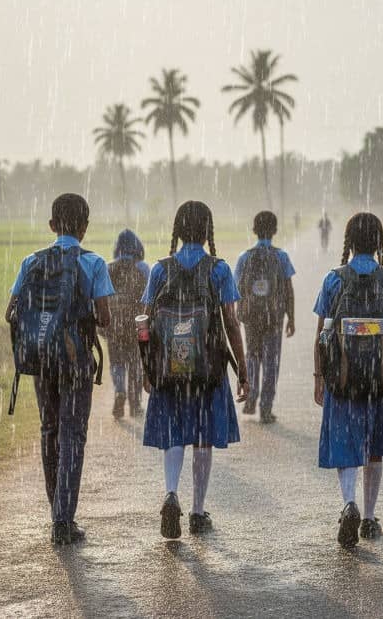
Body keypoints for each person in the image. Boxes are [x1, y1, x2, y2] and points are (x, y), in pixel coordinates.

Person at [5, 193, 115, 545]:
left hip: (41, 359)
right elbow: (105, 319)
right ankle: (64, 520)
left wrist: (44, 327)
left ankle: (57, 510)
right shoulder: (93, 263)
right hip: (76, 361)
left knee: (49, 429)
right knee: (73, 434)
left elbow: (10, 312)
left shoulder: (31, 262)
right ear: (85, 227)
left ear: (52, 225)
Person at [140, 201, 250, 538]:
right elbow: (231, 322)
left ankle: (171, 493)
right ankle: (197, 512)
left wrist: (147, 368)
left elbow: (145, 321)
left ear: (177, 230)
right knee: (203, 438)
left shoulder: (160, 270)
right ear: (207, 232)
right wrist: (242, 368)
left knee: (174, 434)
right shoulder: (219, 270)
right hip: (208, 369)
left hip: (168, 368)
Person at [313, 213, 383, 549]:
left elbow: (322, 334)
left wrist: (319, 376)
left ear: (349, 241)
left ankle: (349, 503)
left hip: (342, 379)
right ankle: (370, 517)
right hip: (382, 380)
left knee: (346, 445)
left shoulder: (334, 280)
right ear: (378, 243)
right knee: (374, 447)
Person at [235, 211, 297, 423]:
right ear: (275, 230)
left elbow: (237, 288)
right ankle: (266, 408)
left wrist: (238, 313)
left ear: (254, 230)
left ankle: (251, 396)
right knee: (271, 361)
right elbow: (288, 290)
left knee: (252, 355)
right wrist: (291, 318)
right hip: (274, 318)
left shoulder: (244, 257)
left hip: (251, 318)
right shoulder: (281, 257)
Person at [105, 229, 150, 419]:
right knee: (135, 364)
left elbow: (101, 298)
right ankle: (135, 404)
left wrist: (103, 326)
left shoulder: (108, 268)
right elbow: (149, 298)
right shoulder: (143, 268)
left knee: (116, 362)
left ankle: (119, 390)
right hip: (136, 325)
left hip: (114, 324)